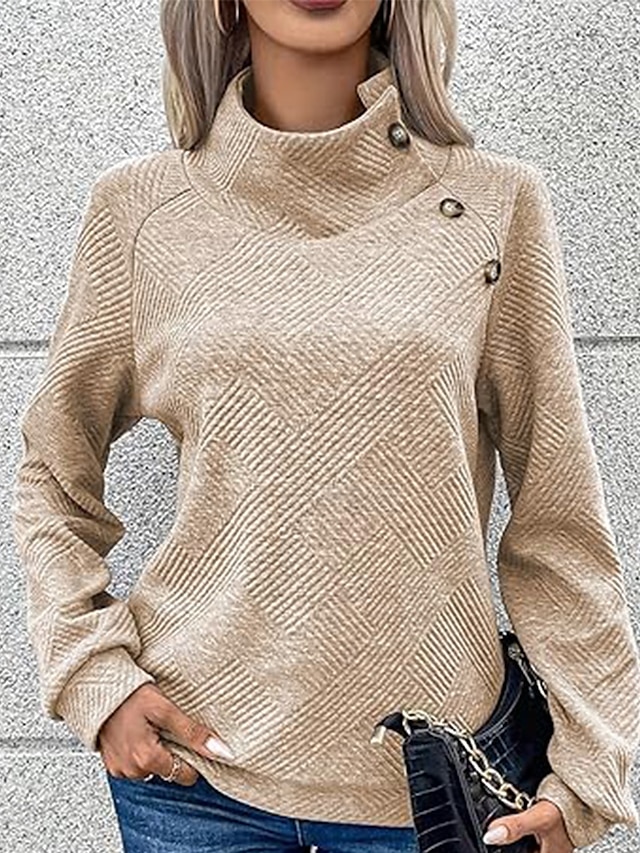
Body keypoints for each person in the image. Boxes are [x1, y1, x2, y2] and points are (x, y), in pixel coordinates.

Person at [11, 0, 640, 851]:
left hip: (432, 792)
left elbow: (558, 520)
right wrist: (93, 676)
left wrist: (590, 775)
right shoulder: (140, 212)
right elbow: (52, 473)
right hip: (197, 792)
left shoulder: (494, 206)